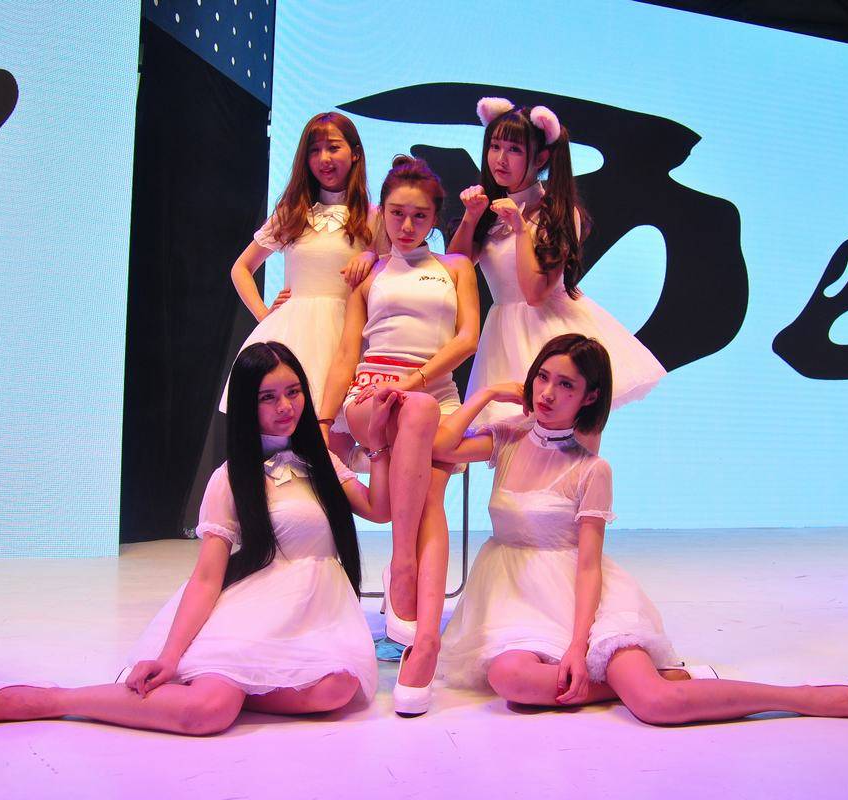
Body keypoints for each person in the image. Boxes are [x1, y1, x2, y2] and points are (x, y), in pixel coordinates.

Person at [433, 334, 848, 724]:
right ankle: (664, 676)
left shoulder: (592, 469)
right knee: (513, 681)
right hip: (513, 598)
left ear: (590, 397)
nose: (547, 393)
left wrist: (578, 646)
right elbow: (442, 447)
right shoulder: (510, 437)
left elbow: (589, 566)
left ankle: (818, 698)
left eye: (566, 384)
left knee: (655, 704)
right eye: (542, 377)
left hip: (579, 598)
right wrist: (484, 396)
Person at [0, 342, 397, 734]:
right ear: (246, 406)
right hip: (254, 611)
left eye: (293, 391)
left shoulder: (322, 463)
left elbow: (380, 509)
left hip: (314, 616)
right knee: (207, 713)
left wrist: (377, 445)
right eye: (267, 397)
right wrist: (170, 655)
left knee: (336, 690)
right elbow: (207, 576)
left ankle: (221, 686)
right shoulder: (231, 479)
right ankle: (51, 700)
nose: (285, 406)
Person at [318, 155, 478, 716]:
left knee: (429, 485)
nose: (407, 225)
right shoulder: (368, 273)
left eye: (420, 216)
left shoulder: (456, 267)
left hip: (433, 395)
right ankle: (402, 571)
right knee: (413, 414)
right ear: (381, 213)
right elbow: (347, 353)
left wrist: (415, 380)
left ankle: (423, 641)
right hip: (372, 397)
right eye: (396, 213)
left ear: (435, 218)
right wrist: (324, 420)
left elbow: (467, 338)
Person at [447, 98, 666, 429]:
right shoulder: (491, 208)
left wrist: (520, 229)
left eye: (514, 149)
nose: (500, 159)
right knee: (505, 438)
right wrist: (471, 217)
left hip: (550, 333)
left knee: (555, 436)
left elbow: (535, 293)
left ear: (541, 158)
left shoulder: (558, 213)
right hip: (502, 333)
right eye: (494, 146)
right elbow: (454, 269)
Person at [221, 112, 379, 442]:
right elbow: (241, 268)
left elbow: (393, 273)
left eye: (333, 147)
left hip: (348, 336)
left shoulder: (372, 216)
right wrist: (264, 316)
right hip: (295, 336)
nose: (324, 158)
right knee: (286, 437)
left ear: (355, 153)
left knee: (338, 441)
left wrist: (371, 256)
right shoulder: (292, 213)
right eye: (314, 150)